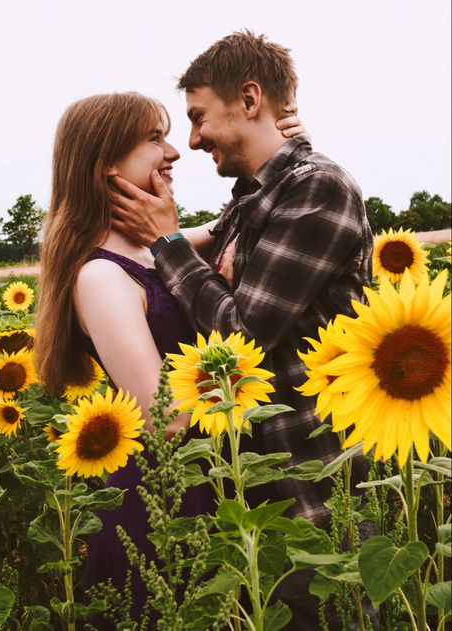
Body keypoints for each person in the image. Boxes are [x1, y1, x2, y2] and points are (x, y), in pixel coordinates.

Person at [109, 31, 375, 629]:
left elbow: (244, 333)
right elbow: (213, 232)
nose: (193, 139)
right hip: (265, 496)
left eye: (198, 118)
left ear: (250, 98)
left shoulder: (318, 187)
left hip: (319, 492)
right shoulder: (259, 196)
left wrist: (166, 240)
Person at [35, 91, 305, 627]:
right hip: (164, 508)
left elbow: (241, 219)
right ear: (107, 164)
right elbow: (167, 418)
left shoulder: (149, 249)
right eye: (155, 138)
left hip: (207, 489)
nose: (175, 152)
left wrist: (282, 147)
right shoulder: (101, 276)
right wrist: (244, 378)